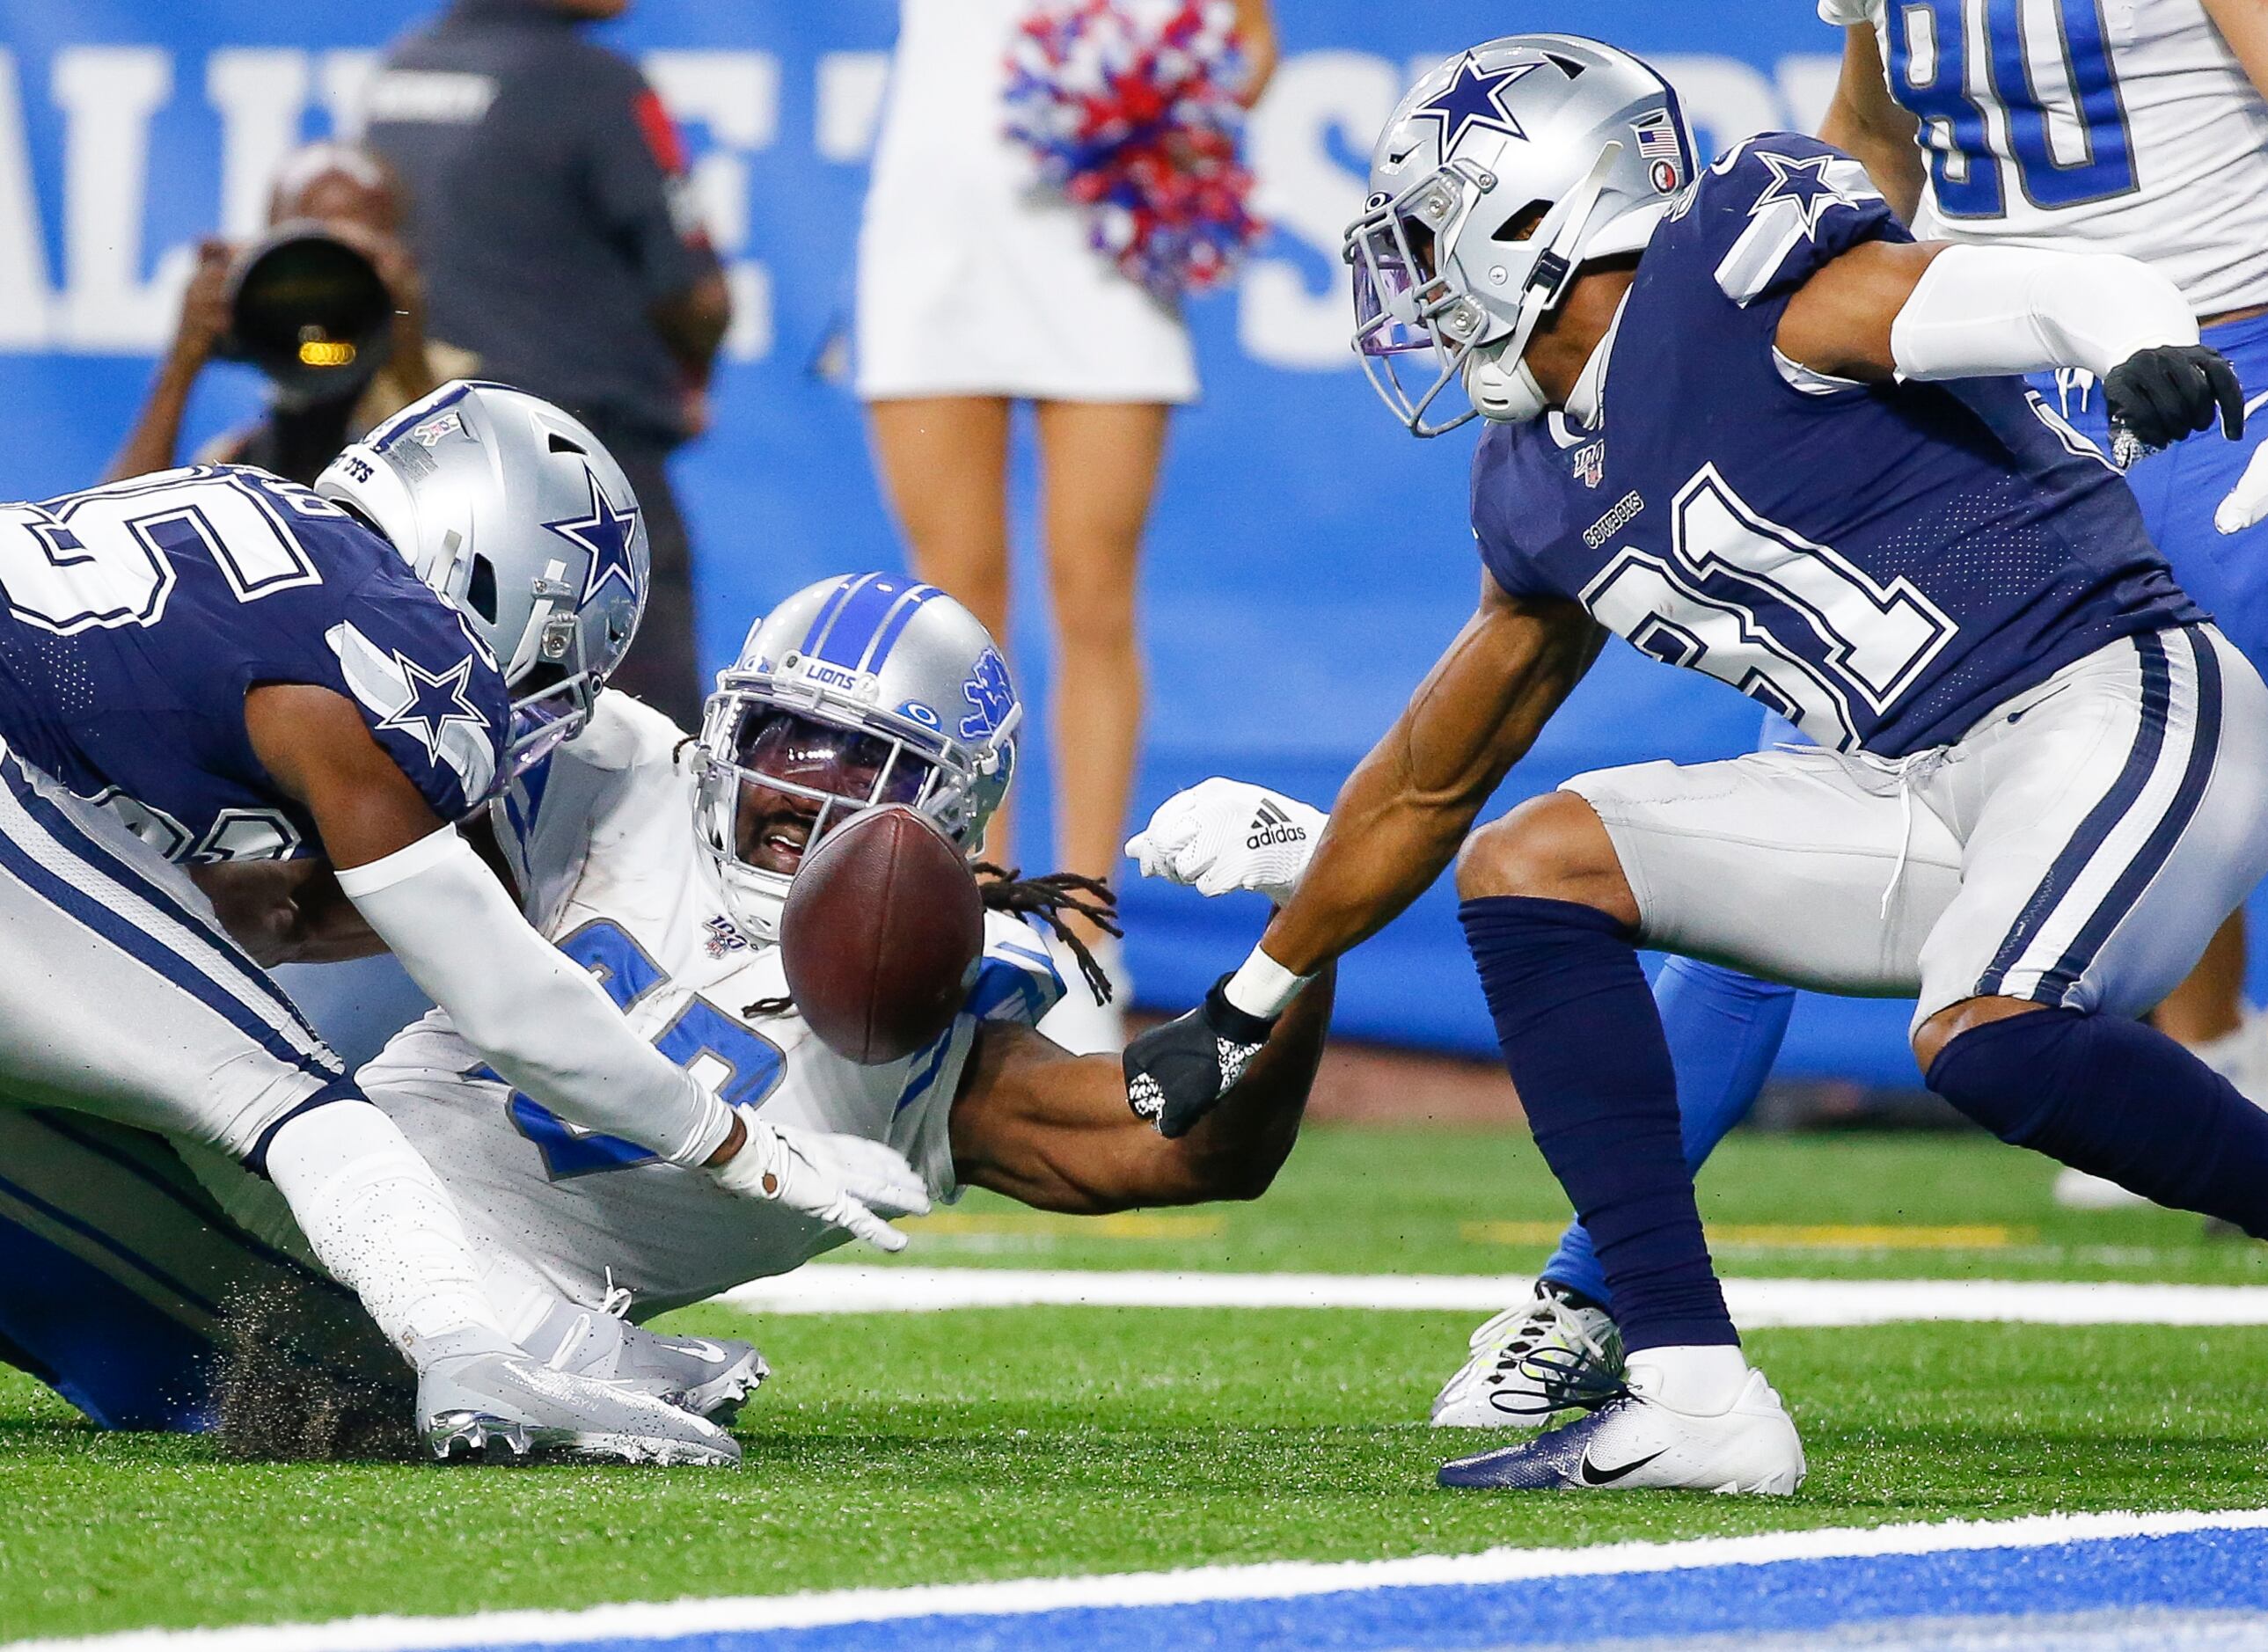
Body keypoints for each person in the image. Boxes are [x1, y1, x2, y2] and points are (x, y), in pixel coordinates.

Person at [1122, 33, 2268, 1495]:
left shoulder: (1729, 281)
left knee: (1984, 1031)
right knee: (1532, 863)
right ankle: (1691, 1390)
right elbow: (1428, 780)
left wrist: (2125, 331)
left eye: (1422, 241)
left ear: (1533, 209)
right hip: (1908, 781)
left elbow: (1980, 286)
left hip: (2111, 698)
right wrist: (1243, 1000)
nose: (1407, 290)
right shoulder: (1536, 482)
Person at [0, 578, 1330, 1440]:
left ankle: (557, 1356)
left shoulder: (930, 1006)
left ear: (954, 804)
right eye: (783, 741)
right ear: (723, 726)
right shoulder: (605, 773)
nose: (804, 792)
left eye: (865, 766)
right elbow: (300, 899)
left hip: (413, 1303)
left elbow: (1192, 1145)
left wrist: (1303, 933)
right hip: (282, 1179)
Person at [0, 380, 925, 1466]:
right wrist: (734, 1142)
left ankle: (545, 1337)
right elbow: (513, 1007)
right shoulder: (395, 640)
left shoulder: (236, 506)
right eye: (553, 662)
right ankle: (475, 1357)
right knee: (282, 1092)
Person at [854, 0, 1277, 1054]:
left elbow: (1251, 43)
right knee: (954, 611)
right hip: (936, 235)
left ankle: (1087, 937)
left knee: (1091, 596)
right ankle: (977, 918)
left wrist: (1154, 104)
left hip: (1103, 244)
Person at [364, 0, 730, 730]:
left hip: (435, 473)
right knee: (643, 748)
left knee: (449, 732)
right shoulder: (591, 82)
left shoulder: (401, 72)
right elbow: (696, 295)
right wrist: (690, 377)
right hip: (583, 479)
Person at [107, 143, 473, 489]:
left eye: (346, 260)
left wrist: (406, 356)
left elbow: (478, 510)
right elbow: (113, 536)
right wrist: (183, 361)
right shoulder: (249, 458)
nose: (326, 292)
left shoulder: (469, 393)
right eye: (306, 264)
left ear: (405, 257)